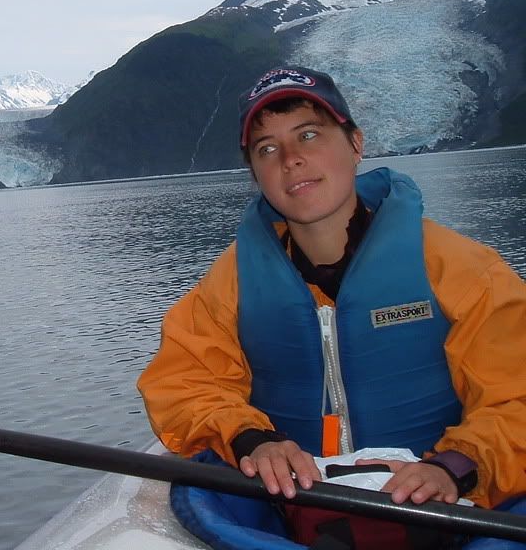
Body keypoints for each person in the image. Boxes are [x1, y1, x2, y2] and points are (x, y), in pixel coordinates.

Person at [136, 66, 526, 547]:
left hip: (450, 510)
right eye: (267, 148)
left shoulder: (463, 269)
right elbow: (183, 382)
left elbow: (517, 397)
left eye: (309, 134)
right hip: (298, 513)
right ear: (255, 172)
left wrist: (456, 466)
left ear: (356, 144)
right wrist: (251, 439)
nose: (291, 159)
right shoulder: (229, 283)